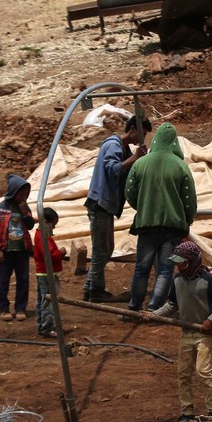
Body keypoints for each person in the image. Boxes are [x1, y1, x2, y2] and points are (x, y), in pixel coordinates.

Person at [144, 241, 212, 422]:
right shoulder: (178, 281)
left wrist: (211, 320)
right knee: (183, 373)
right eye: (177, 263)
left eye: (182, 263)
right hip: (187, 333)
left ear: (192, 261)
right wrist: (154, 315)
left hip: (204, 334)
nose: (179, 266)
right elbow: (172, 305)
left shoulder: (207, 280)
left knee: (202, 371)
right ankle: (187, 412)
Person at [125, 122, 197, 313]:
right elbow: (189, 200)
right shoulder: (181, 166)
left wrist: (143, 207)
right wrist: (187, 219)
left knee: (141, 268)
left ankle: (133, 307)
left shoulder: (140, 164)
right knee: (165, 270)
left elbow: (130, 192)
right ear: (174, 142)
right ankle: (153, 308)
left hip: (146, 225)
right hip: (173, 226)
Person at [84, 116, 149, 302]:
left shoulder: (124, 148)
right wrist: (136, 157)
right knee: (101, 250)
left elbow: (131, 168)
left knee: (105, 248)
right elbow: (113, 170)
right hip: (100, 203)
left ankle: (91, 287)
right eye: (141, 134)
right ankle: (94, 290)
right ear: (132, 130)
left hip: (105, 205)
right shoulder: (113, 145)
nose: (141, 139)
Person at [0, 174, 36, 321]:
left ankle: (20, 308)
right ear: (13, 192)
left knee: (23, 279)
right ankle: (3, 308)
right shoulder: (2, 208)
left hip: (21, 250)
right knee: (4, 280)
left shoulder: (25, 207)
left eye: (25, 194)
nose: (23, 197)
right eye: (21, 194)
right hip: (6, 250)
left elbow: (30, 226)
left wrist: (25, 212)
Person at [33, 207, 66, 339]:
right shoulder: (43, 237)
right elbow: (50, 255)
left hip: (43, 273)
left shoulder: (42, 235)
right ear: (47, 222)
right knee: (48, 301)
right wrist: (61, 253)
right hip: (46, 274)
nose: (54, 228)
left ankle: (42, 325)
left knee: (42, 300)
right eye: (53, 225)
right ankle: (47, 327)